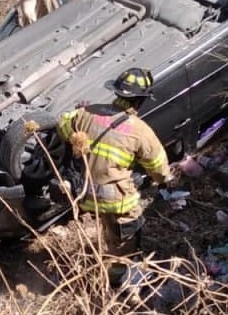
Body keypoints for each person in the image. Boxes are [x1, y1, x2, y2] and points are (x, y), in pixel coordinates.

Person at [55, 67, 174, 285]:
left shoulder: (86, 113)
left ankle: (107, 251)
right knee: (126, 243)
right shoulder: (139, 130)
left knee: (106, 226)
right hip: (118, 201)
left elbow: (62, 123)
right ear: (140, 100)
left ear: (117, 93)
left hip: (85, 195)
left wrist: (76, 134)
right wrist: (164, 181)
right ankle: (117, 285)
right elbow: (158, 166)